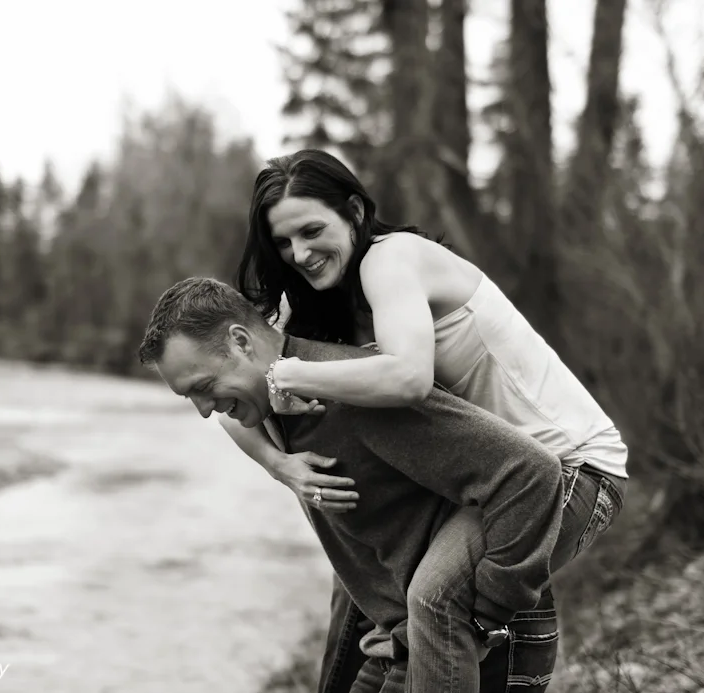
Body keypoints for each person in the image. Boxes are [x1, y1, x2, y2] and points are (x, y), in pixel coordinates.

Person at [224, 149, 630, 689]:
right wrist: (283, 466)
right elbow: (228, 391)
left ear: (354, 211)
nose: (299, 252)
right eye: (282, 242)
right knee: (357, 590)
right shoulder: (319, 299)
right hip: (486, 482)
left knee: (434, 597)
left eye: (311, 229)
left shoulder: (392, 261)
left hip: (571, 470)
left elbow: (409, 377)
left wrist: (292, 376)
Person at [138, 277, 581, 693]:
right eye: (189, 397)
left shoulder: (355, 394)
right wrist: (277, 464)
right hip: (401, 643)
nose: (202, 410)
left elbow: (533, 472)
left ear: (240, 342)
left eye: (204, 387)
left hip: (477, 643)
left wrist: (485, 612)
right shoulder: (269, 397)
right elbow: (237, 413)